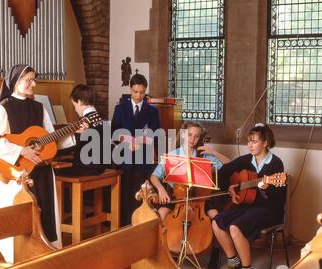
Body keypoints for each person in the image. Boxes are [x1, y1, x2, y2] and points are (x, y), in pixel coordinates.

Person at [0, 64, 85, 263]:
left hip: (42, 171)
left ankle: (44, 254)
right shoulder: (2, 108)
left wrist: (73, 132)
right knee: (19, 215)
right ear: (15, 82)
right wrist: (21, 150)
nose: (34, 83)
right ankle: (16, 255)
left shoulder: (39, 107)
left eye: (34, 79)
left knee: (45, 212)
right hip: (18, 171)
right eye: (29, 80)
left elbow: (49, 138)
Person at [207, 123, 286, 269]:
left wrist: (267, 189)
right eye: (248, 141)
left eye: (254, 141)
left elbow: (279, 197)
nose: (250, 145)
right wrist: (230, 188)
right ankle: (233, 262)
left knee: (235, 227)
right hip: (247, 207)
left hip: (269, 210)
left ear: (265, 142)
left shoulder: (276, 164)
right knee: (216, 221)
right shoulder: (245, 160)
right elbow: (223, 173)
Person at [150, 121, 230, 221]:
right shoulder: (172, 155)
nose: (192, 139)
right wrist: (160, 189)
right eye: (190, 135)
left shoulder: (204, 155)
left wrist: (214, 152)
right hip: (177, 198)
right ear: (183, 134)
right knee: (161, 213)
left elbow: (229, 165)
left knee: (215, 214)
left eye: (196, 136)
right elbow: (154, 176)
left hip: (200, 199)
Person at [111, 73, 160, 226]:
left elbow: (156, 135)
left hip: (143, 160)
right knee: (124, 195)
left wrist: (142, 141)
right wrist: (127, 141)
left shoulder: (152, 111)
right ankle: (124, 227)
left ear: (145, 91)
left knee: (140, 194)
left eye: (142, 92)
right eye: (135, 92)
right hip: (124, 158)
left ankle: (139, 226)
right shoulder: (120, 108)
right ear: (130, 89)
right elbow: (114, 133)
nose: (138, 96)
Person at [54, 84, 108, 177]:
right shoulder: (100, 118)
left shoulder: (84, 121)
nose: (75, 109)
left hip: (87, 167)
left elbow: (69, 146)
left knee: (51, 173)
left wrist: (52, 150)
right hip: (100, 166)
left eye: (74, 105)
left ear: (79, 102)